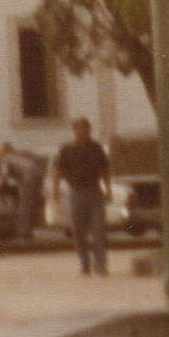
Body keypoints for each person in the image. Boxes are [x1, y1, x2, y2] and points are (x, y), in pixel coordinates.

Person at [52, 118, 111, 275]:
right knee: (79, 233)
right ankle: (84, 265)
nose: (83, 133)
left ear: (89, 131)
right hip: (76, 193)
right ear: (74, 131)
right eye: (79, 130)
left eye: (86, 130)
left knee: (99, 231)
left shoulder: (96, 147)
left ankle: (100, 265)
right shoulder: (66, 149)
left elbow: (104, 169)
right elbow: (57, 172)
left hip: (94, 193)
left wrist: (109, 190)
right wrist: (55, 192)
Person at [0, 143, 43, 240]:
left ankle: (22, 232)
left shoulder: (4, 158)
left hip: (28, 176)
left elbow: (4, 176)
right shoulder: (18, 156)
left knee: (24, 204)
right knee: (31, 204)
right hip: (38, 173)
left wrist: (1, 190)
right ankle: (29, 230)